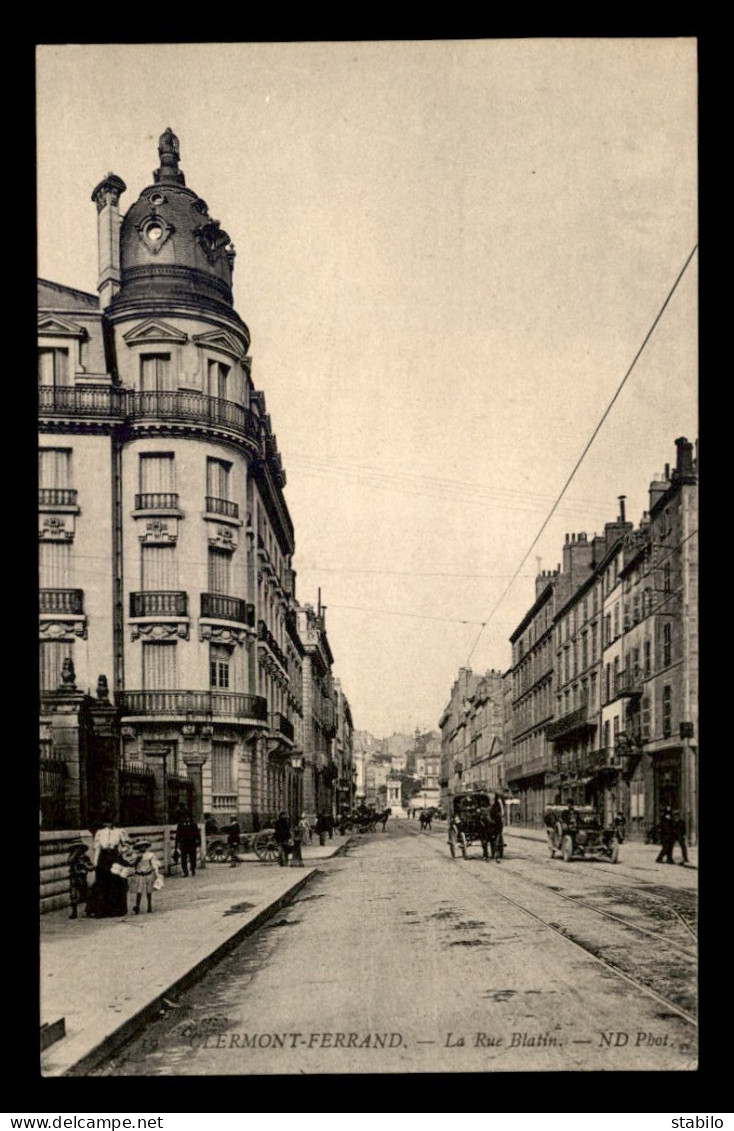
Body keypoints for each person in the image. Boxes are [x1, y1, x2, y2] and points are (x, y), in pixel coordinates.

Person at [92, 806, 131, 917]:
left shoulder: (120, 832)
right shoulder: (100, 833)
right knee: (102, 883)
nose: (109, 824)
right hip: (103, 859)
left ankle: (117, 910)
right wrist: (95, 862)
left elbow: (127, 845)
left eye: (111, 821)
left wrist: (120, 851)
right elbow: (97, 848)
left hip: (115, 858)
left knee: (117, 882)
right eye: (107, 821)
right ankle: (102, 910)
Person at [131, 840, 162, 914]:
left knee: (149, 890)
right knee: (139, 891)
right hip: (140, 874)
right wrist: (137, 859)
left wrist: (157, 874)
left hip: (148, 874)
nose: (142, 848)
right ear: (138, 848)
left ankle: (149, 906)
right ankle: (137, 907)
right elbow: (132, 864)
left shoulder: (150, 855)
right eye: (140, 846)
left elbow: (154, 865)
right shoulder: (135, 855)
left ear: (146, 847)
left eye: (144, 846)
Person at [67, 842, 94, 920]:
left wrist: (84, 866)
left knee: (85, 893)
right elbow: (69, 862)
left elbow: (91, 867)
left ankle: (89, 910)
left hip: (81, 877)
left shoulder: (85, 857)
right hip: (73, 877)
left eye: (79, 849)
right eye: (76, 849)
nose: (77, 850)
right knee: (73, 895)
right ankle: (74, 912)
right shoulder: (71, 857)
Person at [175, 809, 202, 877]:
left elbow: (197, 834)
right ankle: (185, 872)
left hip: (192, 844)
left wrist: (199, 842)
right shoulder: (180, 824)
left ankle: (193, 869)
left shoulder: (193, 824)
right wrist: (177, 845)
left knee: (193, 858)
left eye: (187, 817)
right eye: (185, 817)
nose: (186, 818)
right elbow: (178, 835)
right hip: (183, 844)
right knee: (183, 859)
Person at [490, 793, 505, 861]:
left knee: (498, 836)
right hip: (493, 820)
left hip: (498, 820)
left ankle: (497, 853)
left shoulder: (498, 803)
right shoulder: (492, 805)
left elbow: (501, 810)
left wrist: (501, 815)